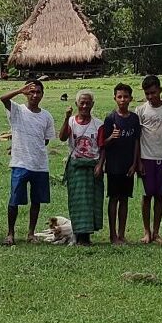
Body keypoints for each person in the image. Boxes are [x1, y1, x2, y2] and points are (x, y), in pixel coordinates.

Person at [0, 80, 55, 245]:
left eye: (38, 92)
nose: (35, 95)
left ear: (42, 94)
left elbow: (45, 140)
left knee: (36, 200)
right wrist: (19, 90)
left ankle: (31, 233)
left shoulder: (47, 116)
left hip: (39, 164)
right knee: (14, 200)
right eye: (31, 92)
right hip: (20, 162)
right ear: (26, 94)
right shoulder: (17, 110)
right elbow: (3, 99)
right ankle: (10, 233)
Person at [133, 75, 162, 244]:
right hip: (146, 158)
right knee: (146, 196)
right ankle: (146, 232)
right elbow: (137, 138)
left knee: (160, 196)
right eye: (147, 94)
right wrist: (138, 161)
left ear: (160, 90)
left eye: (153, 92)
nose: (151, 97)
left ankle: (156, 232)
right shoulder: (140, 111)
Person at [58, 90, 104, 246]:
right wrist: (65, 118)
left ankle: (87, 236)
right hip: (76, 167)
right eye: (82, 103)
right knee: (77, 201)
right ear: (77, 104)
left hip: (93, 167)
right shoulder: (71, 121)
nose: (84, 106)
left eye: (88, 103)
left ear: (93, 104)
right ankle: (78, 234)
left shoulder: (98, 124)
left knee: (92, 202)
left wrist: (100, 165)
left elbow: (102, 147)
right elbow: (62, 137)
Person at [99, 83, 141, 245]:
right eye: (119, 97)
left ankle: (122, 234)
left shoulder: (134, 118)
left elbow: (137, 141)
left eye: (126, 97)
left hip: (128, 165)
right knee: (114, 199)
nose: (123, 100)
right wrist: (112, 137)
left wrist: (135, 163)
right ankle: (113, 235)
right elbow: (104, 144)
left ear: (131, 98)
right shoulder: (110, 118)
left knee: (125, 199)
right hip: (114, 166)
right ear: (114, 98)